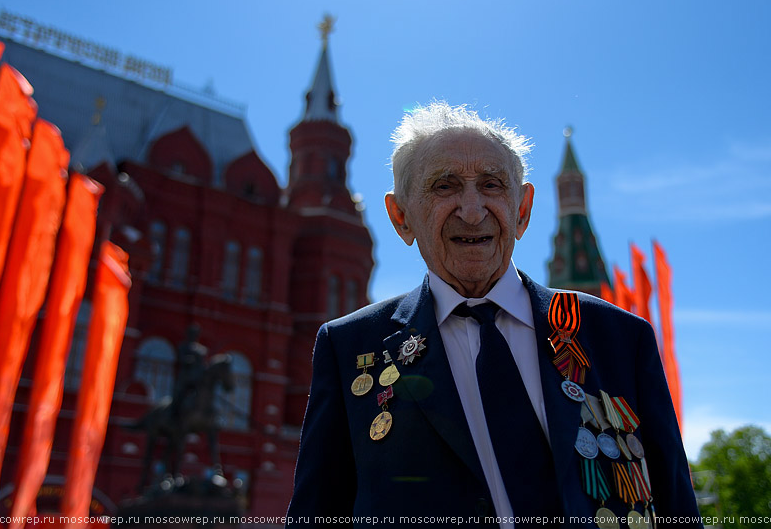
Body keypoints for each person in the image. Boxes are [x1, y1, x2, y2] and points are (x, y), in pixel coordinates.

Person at [286, 102, 701, 528]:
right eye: (444, 186)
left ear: (522, 209)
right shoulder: (350, 347)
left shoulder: (619, 338)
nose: (472, 209)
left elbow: (674, 505)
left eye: (492, 185)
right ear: (401, 217)